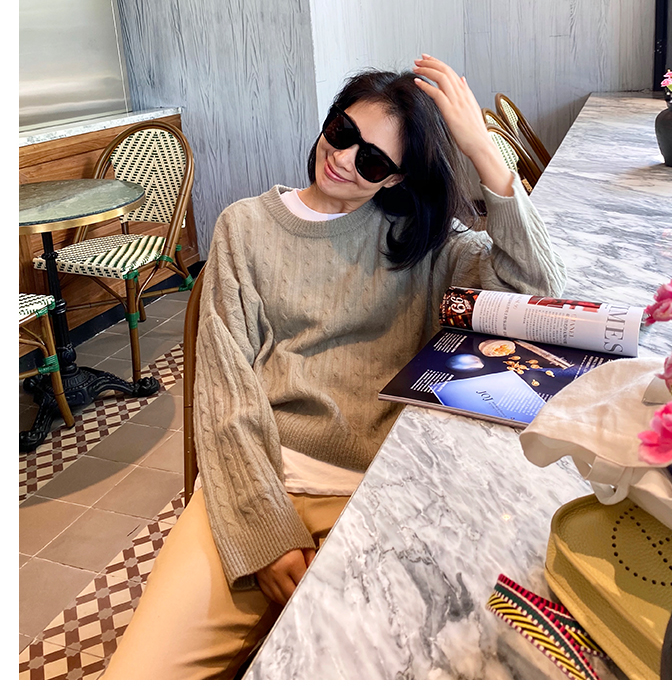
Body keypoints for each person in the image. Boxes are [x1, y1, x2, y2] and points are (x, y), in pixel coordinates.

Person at [102, 55, 566, 679]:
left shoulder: (423, 241)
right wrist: (265, 530)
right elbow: (224, 393)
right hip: (258, 483)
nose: (343, 158)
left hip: (382, 495)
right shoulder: (244, 227)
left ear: (396, 179)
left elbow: (537, 291)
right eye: (342, 131)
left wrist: (482, 149)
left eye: (372, 160)